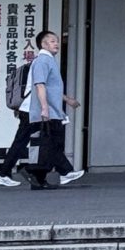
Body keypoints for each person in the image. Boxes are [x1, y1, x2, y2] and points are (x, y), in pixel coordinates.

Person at [26, 29, 83, 185]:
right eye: (52, 41)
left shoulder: (48, 60)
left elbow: (51, 88)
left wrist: (67, 100)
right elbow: (40, 85)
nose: (56, 44)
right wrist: (44, 108)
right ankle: (65, 172)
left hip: (53, 111)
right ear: (43, 44)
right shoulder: (43, 61)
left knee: (49, 145)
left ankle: (38, 178)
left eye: (56, 41)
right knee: (52, 144)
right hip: (48, 112)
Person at [0, 48, 53, 189]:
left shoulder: (32, 66)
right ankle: (8, 173)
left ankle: (33, 176)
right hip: (32, 110)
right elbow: (40, 87)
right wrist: (45, 108)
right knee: (33, 141)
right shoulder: (39, 66)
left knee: (28, 141)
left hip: (28, 110)